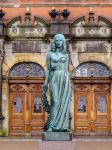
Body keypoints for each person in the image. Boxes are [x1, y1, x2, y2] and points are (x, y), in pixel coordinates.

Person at [42, 34, 71, 132]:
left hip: (64, 79)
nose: (58, 42)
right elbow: (48, 70)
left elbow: (66, 70)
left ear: (63, 42)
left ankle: (62, 126)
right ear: (54, 42)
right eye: (57, 40)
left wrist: (68, 82)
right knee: (56, 102)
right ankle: (50, 125)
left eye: (60, 40)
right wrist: (46, 83)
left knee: (64, 103)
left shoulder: (65, 55)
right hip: (54, 78)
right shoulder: (50, 54)